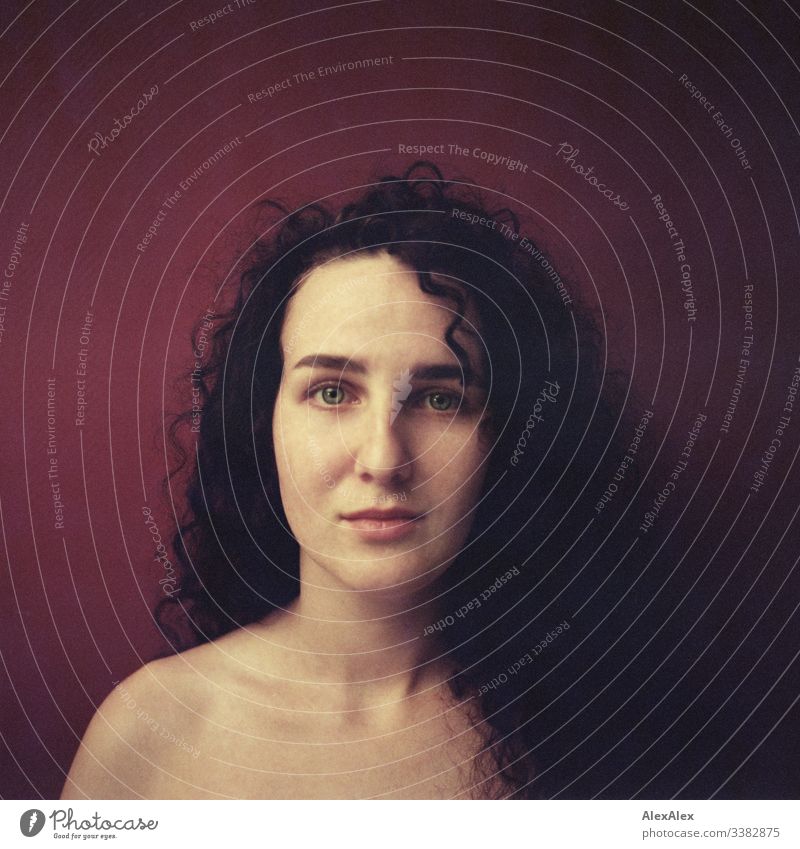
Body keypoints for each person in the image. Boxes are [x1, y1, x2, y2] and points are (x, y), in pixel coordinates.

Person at [62, 161, 621, 800]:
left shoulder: (592, 727)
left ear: (508, 436)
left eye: (440, 400)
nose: (383, 459)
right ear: (262, 422)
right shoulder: (152, 731)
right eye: (332, 392)